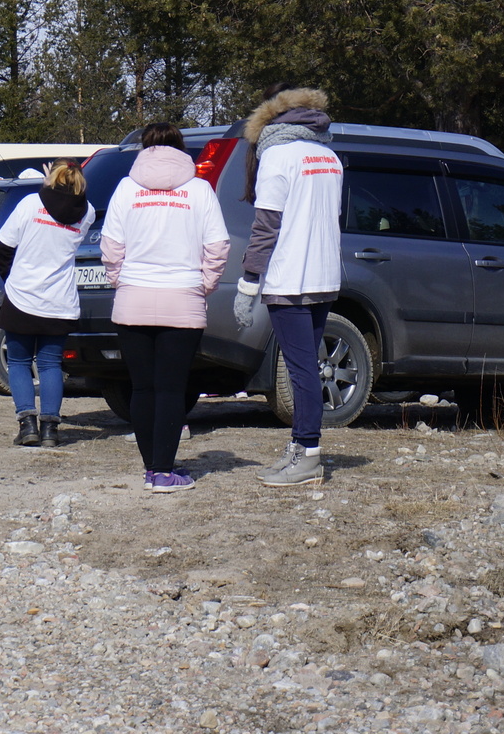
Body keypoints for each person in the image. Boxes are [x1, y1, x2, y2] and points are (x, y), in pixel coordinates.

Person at [101, 124, 230, 492]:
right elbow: (218, 246)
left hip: (133, 299)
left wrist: (120, 280)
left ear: (145, 149)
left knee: (142, 389)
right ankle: (164, 471)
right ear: (181, 149)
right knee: (172, 389)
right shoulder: (199, 190)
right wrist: (202, 284)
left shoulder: (127, 188)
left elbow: (110, 246)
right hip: (183, 298)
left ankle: (150, 469)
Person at [235, 87, 343, 487]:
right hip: (323, 275)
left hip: (289, 277)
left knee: (301, 371)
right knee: (306, 367)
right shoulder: (328, 155)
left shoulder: (278, 156)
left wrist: (248, 283)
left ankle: (309, 453)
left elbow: (266, 227)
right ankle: (300, 445)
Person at [0, 159, 92, 447]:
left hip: (23, 295)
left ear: (51, 176)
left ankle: (27, 426)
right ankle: (51, 428)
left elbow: (5, 246)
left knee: (19, 362)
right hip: (59, 299)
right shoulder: (85, 213)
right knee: (50, 365)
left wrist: (8, 277)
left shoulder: (30, 203)